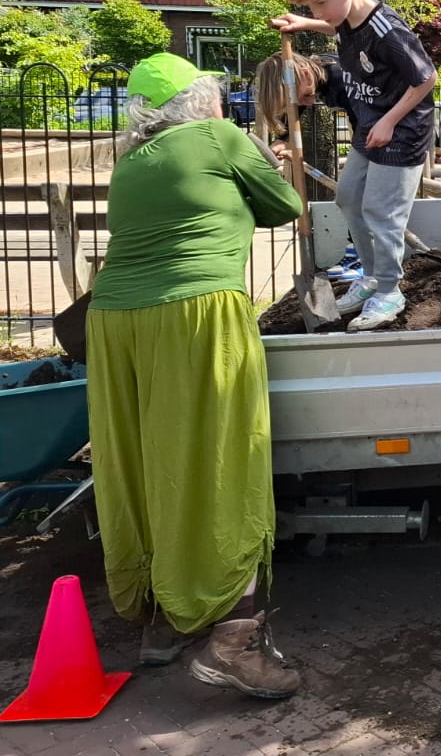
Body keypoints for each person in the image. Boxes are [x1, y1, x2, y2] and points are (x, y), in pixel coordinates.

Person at [85, 54, 304, 697]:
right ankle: (236, 640)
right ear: (203, 99)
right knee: (220, 460)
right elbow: (285, 204)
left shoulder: (129, 163)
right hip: (194, 313)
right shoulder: (217, 136)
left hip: (114, 320)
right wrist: (264, 152)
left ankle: (161, 622)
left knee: (148, 463)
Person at [271, 0, 437, 331]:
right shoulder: (346, 16)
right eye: (311, 8)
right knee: (348, 198)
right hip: (371, 124)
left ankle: (389, 291)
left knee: (381, 211)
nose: (317, 13)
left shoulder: (387, 29)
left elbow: (427, 77)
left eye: (320, 5)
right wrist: (306, 24)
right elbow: (336, 23)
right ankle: (370, 277)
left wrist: (390, 122)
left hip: (401, 130)